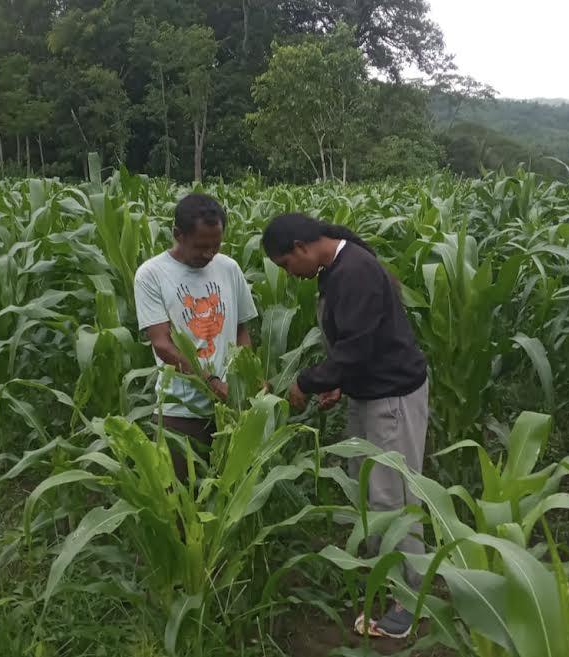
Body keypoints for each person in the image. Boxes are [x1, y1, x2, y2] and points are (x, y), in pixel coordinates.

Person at [261, 213, 429, 639]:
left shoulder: (352, 271)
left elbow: (358, 347)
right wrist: (340, 383)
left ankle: (409, 600)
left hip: (391, 397)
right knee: (369, 489)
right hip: (369, 391)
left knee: (394, 496)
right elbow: (357, 345)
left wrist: (307, 382)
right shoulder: (336, 268)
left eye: (284, 264)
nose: (289, 273)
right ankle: (383, 577)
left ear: (301, 247)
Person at [134, 193, 258, 480]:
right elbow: (163, 344)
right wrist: (212, 383)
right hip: (181, 411)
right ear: (178, 234)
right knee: (180, 503)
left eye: (215, 246)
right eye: (201, 246)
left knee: (231, 496)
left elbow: (241, 331)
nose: (209, 254)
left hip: (231, 408)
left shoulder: (229, 268)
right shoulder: (151, 275)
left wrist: (247, 380)